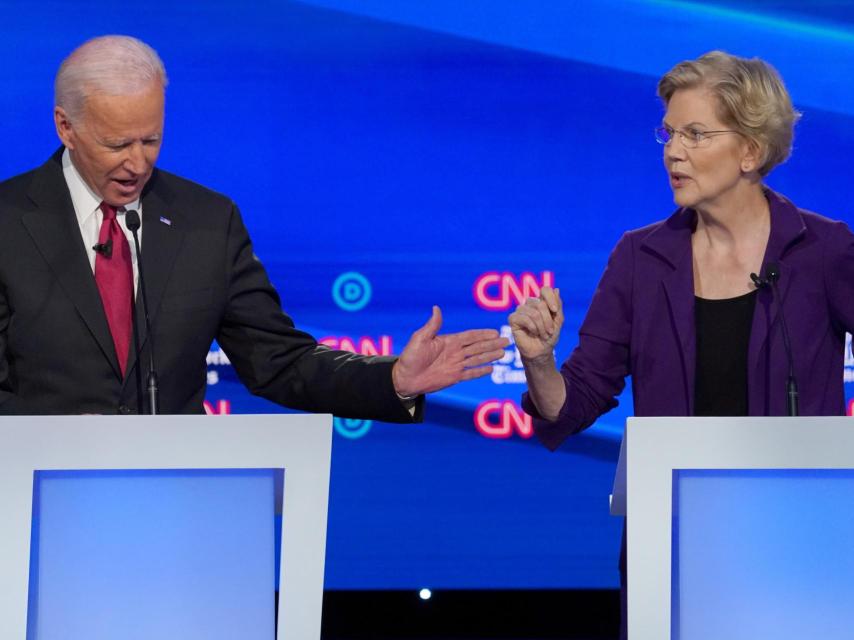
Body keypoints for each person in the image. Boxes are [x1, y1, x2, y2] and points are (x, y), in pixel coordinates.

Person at [509, 50, 854, 638]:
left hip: (799, 539)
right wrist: (539, 360)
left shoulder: (822, 250)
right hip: (671, 543)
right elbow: (578, 399)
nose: (673, 151)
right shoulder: (641, 258)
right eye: (668, 133)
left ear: (751, 150)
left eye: (695, 134)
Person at [0, 35, 508, 416]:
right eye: (117, 145)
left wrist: (393, 378)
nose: (137, 163)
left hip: (171, 505)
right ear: (65, 126)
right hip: (28, 501)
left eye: (150, 140)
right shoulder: (8, 222)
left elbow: (278, 361)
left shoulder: (206, 221)